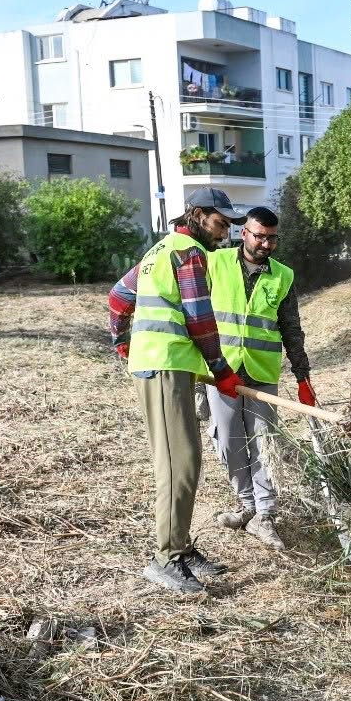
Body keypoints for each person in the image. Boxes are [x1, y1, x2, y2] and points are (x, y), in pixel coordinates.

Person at [107, 187, 247, 595]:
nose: (224, 233)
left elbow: (120, 295)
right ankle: (165, 559)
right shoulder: (188, 253)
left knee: (185, 458)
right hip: (165, 367)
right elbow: (199, 317)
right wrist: (221, 368)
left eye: (228, 226)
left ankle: (181, 548)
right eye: (220, 223)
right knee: (178, 464)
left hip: (168, 365)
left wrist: (122, 341)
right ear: (198, 215)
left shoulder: (159, 250)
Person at [207, 206, 317, 549]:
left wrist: (302, 378)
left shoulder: (283, 276)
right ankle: (247, 506)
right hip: (221, 371)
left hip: (261, 372)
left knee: (264, 443)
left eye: (272, 238)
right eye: (260, 236)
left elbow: (291, 329)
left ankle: (265, 514)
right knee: (227, 441)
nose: (267, 244)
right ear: (244, 233)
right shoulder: (215, 263)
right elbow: (196, 314)